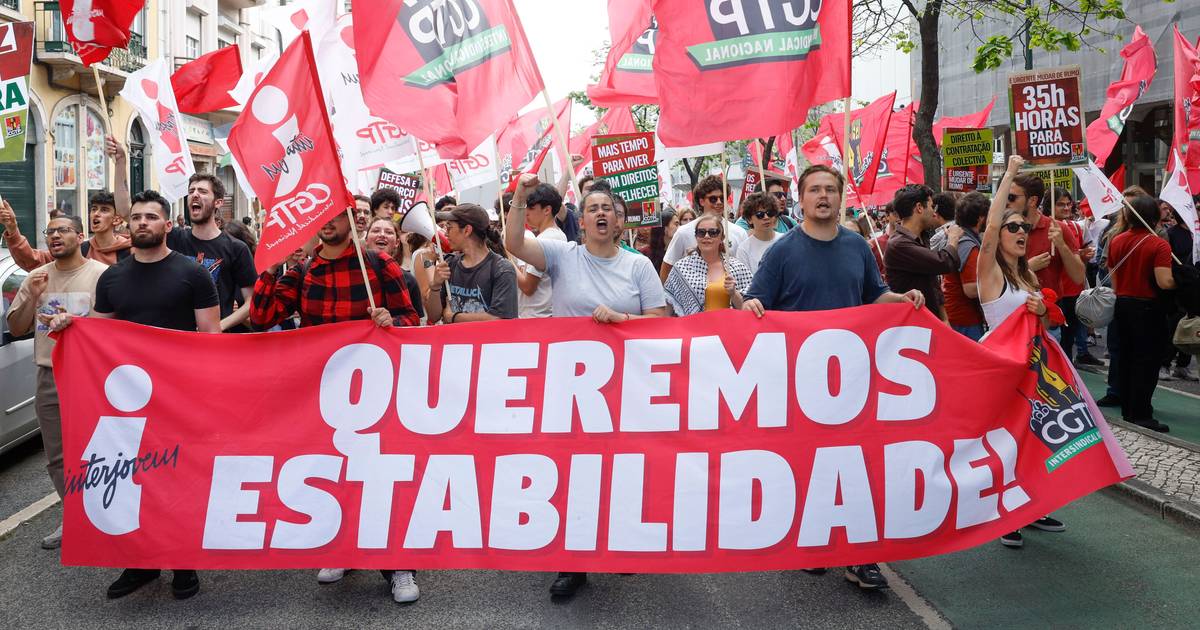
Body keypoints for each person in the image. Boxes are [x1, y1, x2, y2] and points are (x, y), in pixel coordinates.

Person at [741, 165, 923, 591]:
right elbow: (756, 302)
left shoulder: (857, 246)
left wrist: (902, 300)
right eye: (814, 190)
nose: (823, 196)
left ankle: (861, 557)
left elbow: (873, 295)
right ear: (800, 199)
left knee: (857, 467)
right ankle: (816, 543)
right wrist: (749, 307)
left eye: (830, 189)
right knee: (810, 469)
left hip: (852, 382)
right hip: (801, 386)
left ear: (840, 198)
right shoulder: (782, 251)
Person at [44, 190, 219, 600]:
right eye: (137, 217)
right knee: (134, 477)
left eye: (151, 217)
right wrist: (73, 325)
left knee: (177, 479)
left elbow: (211, 338)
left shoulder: (192, 274)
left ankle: (183, 564)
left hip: (178, 398)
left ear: (167, 226)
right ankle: (140, 563)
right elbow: (100, 334)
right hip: (128, 401)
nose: (142, 223)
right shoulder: (113, 277)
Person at [504, 173, 666, 599]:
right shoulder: (562, 255)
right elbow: (516, 243)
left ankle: (621, 544)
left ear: (619, 222)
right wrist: (520, 196)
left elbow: (662, 322)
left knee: (622, 467)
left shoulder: (638, 265)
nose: (599, 213)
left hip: (626, 387)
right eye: (591, 207)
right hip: (570, 386)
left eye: (607, 208)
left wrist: (622, 321)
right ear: (581, 218)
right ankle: (571, 560)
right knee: (573, 471)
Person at [249, 209, 421, 603]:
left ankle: (399, 566)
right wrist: (272, 270)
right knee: (333, 473)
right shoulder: (304, 270)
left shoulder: (378, 266)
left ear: (351, 222)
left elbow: (414, 320)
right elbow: (262, 318)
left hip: (376, 389)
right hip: (324, 392)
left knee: (379, 477)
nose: (326, 223)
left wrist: (390, 321)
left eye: (334, 216)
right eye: (320, 217)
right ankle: (343, 549)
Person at [976, 157, 1066, 548]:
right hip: (1000, 372)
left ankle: (1031, 507)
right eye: (1014, 227)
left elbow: (1042, 324)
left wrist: (1043, 309)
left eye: (1025, 228)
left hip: (1033, 371)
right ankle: (1004, 515)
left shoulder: (1028, 275)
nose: (1020, 232)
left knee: (1031, 440)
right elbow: (992, 225)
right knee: (1004, 442)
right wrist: (1009, 173)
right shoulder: (989, 272)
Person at [5, 215, 108, 550]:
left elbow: (115, 327)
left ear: (80, 236)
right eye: (50, 232)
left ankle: (106, 515)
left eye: (63, 230)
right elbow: (18, 328)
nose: (55, 236)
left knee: (98, 451)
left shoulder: (101, 276)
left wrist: (77, 323)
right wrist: (34, 297)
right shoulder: (37, 277)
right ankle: (74, 515)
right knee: (58, 456)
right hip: (50, 375)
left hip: (92, 376)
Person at [3, 138, 132, 268]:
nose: (96, 214)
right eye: (94, 209)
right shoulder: (79, 249)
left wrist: (120, 162)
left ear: (117, 219)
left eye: (104, 210)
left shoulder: (131, 251)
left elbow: (126, 209)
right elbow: (33, 260)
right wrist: (12, 229)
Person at [1108, 195, 1177, 432]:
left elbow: (1114, 281)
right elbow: (1164, 281)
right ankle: (1142, 413)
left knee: (1126, 359)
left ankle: (1128, 410)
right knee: (1146, 363)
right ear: (1155, 217)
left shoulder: (1116, 240)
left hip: (1122, 305)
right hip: (1148, 308)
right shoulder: (1159, 244)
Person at [1008, 171, 1085, 339]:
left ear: (1033, 201)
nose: (1007, 202)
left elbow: (1079, 277)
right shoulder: (1004, 229)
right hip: (1012, 320)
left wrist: (1062, 246)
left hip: (1047, 323)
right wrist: (1028, 268)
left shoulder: (1057, 229)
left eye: (1012, 197)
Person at [884, 184, 962, 318]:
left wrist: (944, 318)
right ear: (919, 208)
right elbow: (944, 262)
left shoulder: (922, 236)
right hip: (912, 325)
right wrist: (953, 238)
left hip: (929, 320)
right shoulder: (899, 244)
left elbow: (933, 284)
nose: (934, 212)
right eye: (932, 206)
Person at [431, 204, 518, 323]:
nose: (445, 234)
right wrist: (435, 286)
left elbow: (499, 319)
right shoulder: (449, 264)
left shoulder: (502, 269)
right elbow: (433, 316)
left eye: (449, 227)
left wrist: (453, 317)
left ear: (467, 230)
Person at [661, 175, 748, 281]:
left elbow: (745, 271)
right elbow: (667, 267)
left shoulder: (739, 232)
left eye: (722, 198)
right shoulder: (683, 232)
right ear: (701, 201)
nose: (719, 202)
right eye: (713, 199)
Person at [664, 215, 752, 315]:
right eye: (701, 232)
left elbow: (747, 310)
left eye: (713, 232)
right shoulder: (681, 267)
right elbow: (668, 306)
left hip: (728, 328)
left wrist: (734, 293)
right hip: (694, 328)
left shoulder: (738, 268)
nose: (706, 236)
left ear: (722, 237)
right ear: (696, 237)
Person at [512, 183, 568, 318]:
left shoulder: (546, 239)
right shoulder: (557, 235)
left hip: (536, 318)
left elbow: (528, 287)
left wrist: (507, 258)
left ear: (547, 210)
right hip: (544, 316)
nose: (526, 212)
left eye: (531, 207)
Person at [942, 192, 989, 340]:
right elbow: (971, 289)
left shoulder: (961, 239)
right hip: (965, 321)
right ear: (981, 217)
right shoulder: (968, 245)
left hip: (959, 317)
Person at [365, 216, 425, 323]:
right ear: (366, 240)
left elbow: (415, 321)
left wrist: (393, 322)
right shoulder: (353, 273)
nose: (382, 235)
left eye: (388, 232)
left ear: (397, 243)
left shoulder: (408, 280)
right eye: (376, 231)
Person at [732, 192, 784, 274]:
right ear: (749, 219)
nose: (766, 217)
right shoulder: (744, 249)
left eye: (770, 213)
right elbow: (747, 282)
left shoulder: (786, 241)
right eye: (760, 215)